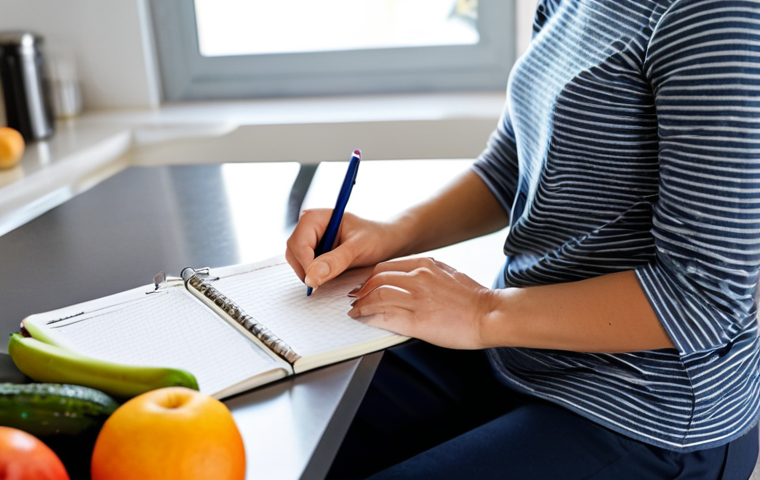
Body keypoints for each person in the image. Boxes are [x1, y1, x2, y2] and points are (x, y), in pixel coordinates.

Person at [286, 0, 760, 478]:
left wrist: (481, 311)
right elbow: (514, 162)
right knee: (290, 434)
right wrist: (392, 233)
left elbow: (706, 297)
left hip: (642, 406)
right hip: (517, 351)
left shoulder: (713, 16)